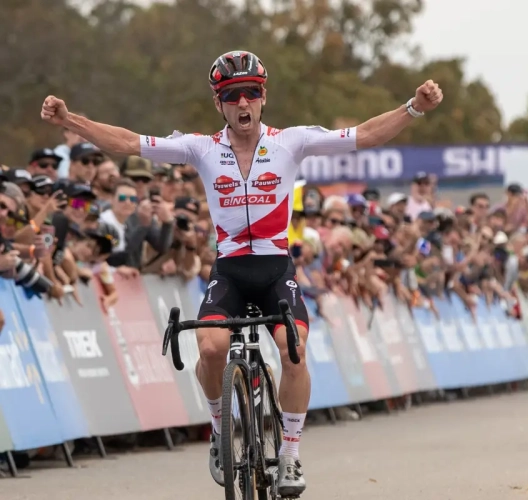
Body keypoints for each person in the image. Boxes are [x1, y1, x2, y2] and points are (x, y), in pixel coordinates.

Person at [40, 49, 443, 497]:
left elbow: (364, 135)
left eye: (251, 93)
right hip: (230, 269)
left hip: (275, 268)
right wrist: (71, 121)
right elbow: (129, 143)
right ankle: (219, 430)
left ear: (263, 97)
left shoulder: (292, 141)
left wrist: (413, 109)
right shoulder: (201, 148)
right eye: (232, 96)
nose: (243, 103)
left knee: (294, 350)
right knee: (210, 349)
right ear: (219, 104)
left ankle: (289, 454)